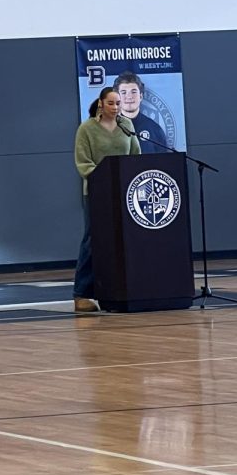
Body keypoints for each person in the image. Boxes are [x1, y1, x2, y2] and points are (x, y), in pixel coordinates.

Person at [73, 86, 141, 312]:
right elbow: (83, 163)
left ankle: (119, 290)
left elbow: (135, 157)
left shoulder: (127, 126)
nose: (115, 107)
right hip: (96, 193)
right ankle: (81, 294)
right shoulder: (87, 129)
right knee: (93, 240)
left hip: (124, 192)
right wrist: (104, 178)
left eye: (118, 103)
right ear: (101, 104)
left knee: (125, 240)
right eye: (111, 103)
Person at [113, 70, 168, 154]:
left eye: (133, 92)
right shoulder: (107, 130)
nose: (129, 97)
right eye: (124, 92)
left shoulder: (155, 129)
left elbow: (163, 162)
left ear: (141, 96)